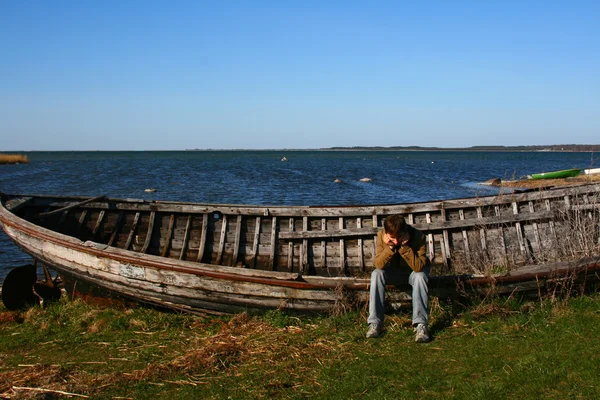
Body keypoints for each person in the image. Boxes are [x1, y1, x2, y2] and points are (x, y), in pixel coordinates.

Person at [366, 214, 430, 342]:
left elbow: (418, 267)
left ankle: (421, 325)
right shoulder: (381, 235)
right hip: (393, 273)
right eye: (392, 238)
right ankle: (375, 323)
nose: (395, 241)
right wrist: (389, 247)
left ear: (405, 232)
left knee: (420, 276)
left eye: (399, 237)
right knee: (376, 274)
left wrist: (404, 248)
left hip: (412, 272)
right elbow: (378, 264)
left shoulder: (418, 236)